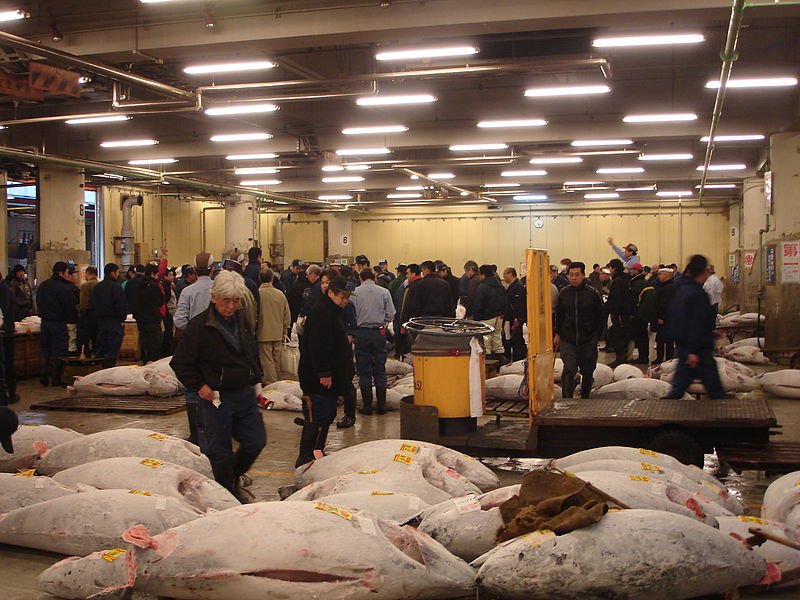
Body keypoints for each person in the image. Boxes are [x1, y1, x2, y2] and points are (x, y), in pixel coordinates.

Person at [171, 270, 266, 502]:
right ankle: (229, 498)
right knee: (219, 453)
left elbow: (251, 351)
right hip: (215, 398)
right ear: (214, 297)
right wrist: (199, 386)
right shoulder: (198, 327)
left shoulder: (242, 320)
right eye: (226, 301)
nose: (231, 306)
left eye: (236, 300)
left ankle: (231, 478)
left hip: (243, 393)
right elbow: (180, 363)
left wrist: (257, 380)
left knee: (256, 440)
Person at [296, 277, 355, 467]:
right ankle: (306, 459)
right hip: (317, 381)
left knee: (326, 415)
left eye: (347, 297)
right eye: (342, 297)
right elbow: (317, 347)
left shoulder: (331, 311)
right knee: (317, 419)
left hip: (327, 380)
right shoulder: (322, 314)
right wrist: (324, 373)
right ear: (330, 293)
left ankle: (317, 453)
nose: (345, 301)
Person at [664, 255, 726, 399]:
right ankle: (725, 416)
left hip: (686, 347)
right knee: (715, 390)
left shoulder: (681, 291)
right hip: (699, 351)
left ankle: (663, 410)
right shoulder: (697, 294)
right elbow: (694, 323)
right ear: (702, 272)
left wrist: (709, 334)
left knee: (678, 389)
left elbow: (680, 321)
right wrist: (693, 350)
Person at [174, 252, 215, 445]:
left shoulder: (188, 291)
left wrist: (192, 332)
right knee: (215, 387)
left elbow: (179, 319)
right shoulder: (218, 289)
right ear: (213, 269)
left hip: (193, 347)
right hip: (217, 346)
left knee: (193, 388)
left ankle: (196, 434)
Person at [347, 269, 395, 419]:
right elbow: (391, 314)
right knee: (380, 369)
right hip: (378, 333)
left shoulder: (355, 293)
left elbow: (350, 314)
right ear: (374, 278)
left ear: (360, 278)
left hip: (361, 333)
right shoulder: (384, 292)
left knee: (364, 370)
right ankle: (381, 405)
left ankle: (366, 405)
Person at [554, 262, 605, 398]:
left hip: (587, 341)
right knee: (569, 369)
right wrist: (558, 333)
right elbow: (560, 315)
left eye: (577, 275)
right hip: (568, 339)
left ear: (583, 275)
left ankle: (585, 398)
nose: (574, 278)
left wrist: (596, 337)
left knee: (587, 371)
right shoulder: (564, 293)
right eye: (571, 275)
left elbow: (600, 316)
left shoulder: (593, 294)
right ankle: (567, 399)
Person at [36, 262, 78, 387]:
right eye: (67, 272)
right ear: (60, 273)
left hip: (44, 323)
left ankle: (43, 377)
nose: (68, 275)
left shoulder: (42, 286)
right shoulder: (64, 288)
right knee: (59, 352)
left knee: (45, 350)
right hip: (58, 324)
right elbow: (69, 308)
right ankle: (56, 379)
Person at [256, 268, 291, 385]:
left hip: (263, 332)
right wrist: (286, 327)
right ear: (272, 279)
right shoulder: (280, 294)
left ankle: (271, 383)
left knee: (267, 360)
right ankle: (277, 381)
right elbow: (287, 313)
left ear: (259, 279)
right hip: (278, 331)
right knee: (277, 359)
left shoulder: (258, 294)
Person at [92, 263, 128, 368]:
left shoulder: (97, 287)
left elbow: (93, 304)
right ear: (113, 273)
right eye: (117, 272)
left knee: (102, 348)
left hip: (100, 322)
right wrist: (122, 319)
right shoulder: (116, 287)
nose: (118, 275)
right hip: (114, 322)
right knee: (112, 350)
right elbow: (121, 304)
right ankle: (109, 371)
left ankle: (100, 371)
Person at [471, 264, 506, 362]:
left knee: (486, 339)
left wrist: (476, 318)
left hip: (486, 317)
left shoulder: (482, 287)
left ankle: (488, 363)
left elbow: (478, 304)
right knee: (497, 338)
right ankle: (500, 360)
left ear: (482, 275)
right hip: (499, 317)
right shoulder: (500, 286)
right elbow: (505, 302)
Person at [133, 264, 164, 364]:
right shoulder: (154, 286)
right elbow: (160, 302)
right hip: (152, 319)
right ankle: (153, 362)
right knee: (155, 342)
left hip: (140, 319)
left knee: (144, 341)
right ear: (152, 274)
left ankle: (144, 360)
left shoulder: (136, 285)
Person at [605, 258, 632, 368]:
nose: (609, 270)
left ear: (614, 268)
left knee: (618, 336)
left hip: (619, 314)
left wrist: (610, 310)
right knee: (621, 336)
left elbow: (616, 299)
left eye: (610, 268)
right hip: (623, 313)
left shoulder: (618, 281)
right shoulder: (624, 279)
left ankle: (620, 359)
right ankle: (622, 358)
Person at [628, 263, 656, 365]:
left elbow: (633, 300)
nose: (630, 271)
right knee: (643, 336)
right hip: (644, 314)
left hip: (638, 315)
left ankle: (642, 357)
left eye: (632, 269)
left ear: (636, 270)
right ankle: (643, 356)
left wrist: (632, 313)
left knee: (640, 337)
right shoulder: (645, 282)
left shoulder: (637, 284)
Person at [653, 267, 677, 364]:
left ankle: (665, 358)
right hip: (668, 317)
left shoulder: (669, 287)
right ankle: (663, 357)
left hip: (666, 318)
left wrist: (661, 317)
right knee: (663, 338)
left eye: (660, 274)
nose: (658, 276)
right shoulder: (666, 286)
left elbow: (665, 303)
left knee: (664, 339)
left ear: (666, 275)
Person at [503, 266, 527, 362]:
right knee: (515, 338)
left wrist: (518, 319)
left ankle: (519, 358)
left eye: (505, 274)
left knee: (517, 339)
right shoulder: (514, 286)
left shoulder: (517, 287)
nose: (503, 277)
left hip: (515, 318)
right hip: (512, 317)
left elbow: (518, 305)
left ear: (510, 274)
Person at [76, 266, 99, 357]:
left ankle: (86, 358)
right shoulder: (100, 284)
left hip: (88, 317)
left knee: (84, 341)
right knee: (96, 340)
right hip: (98, 317)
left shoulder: (86, 286)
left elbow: (83, 303)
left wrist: (80, 314)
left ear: (87, 274)